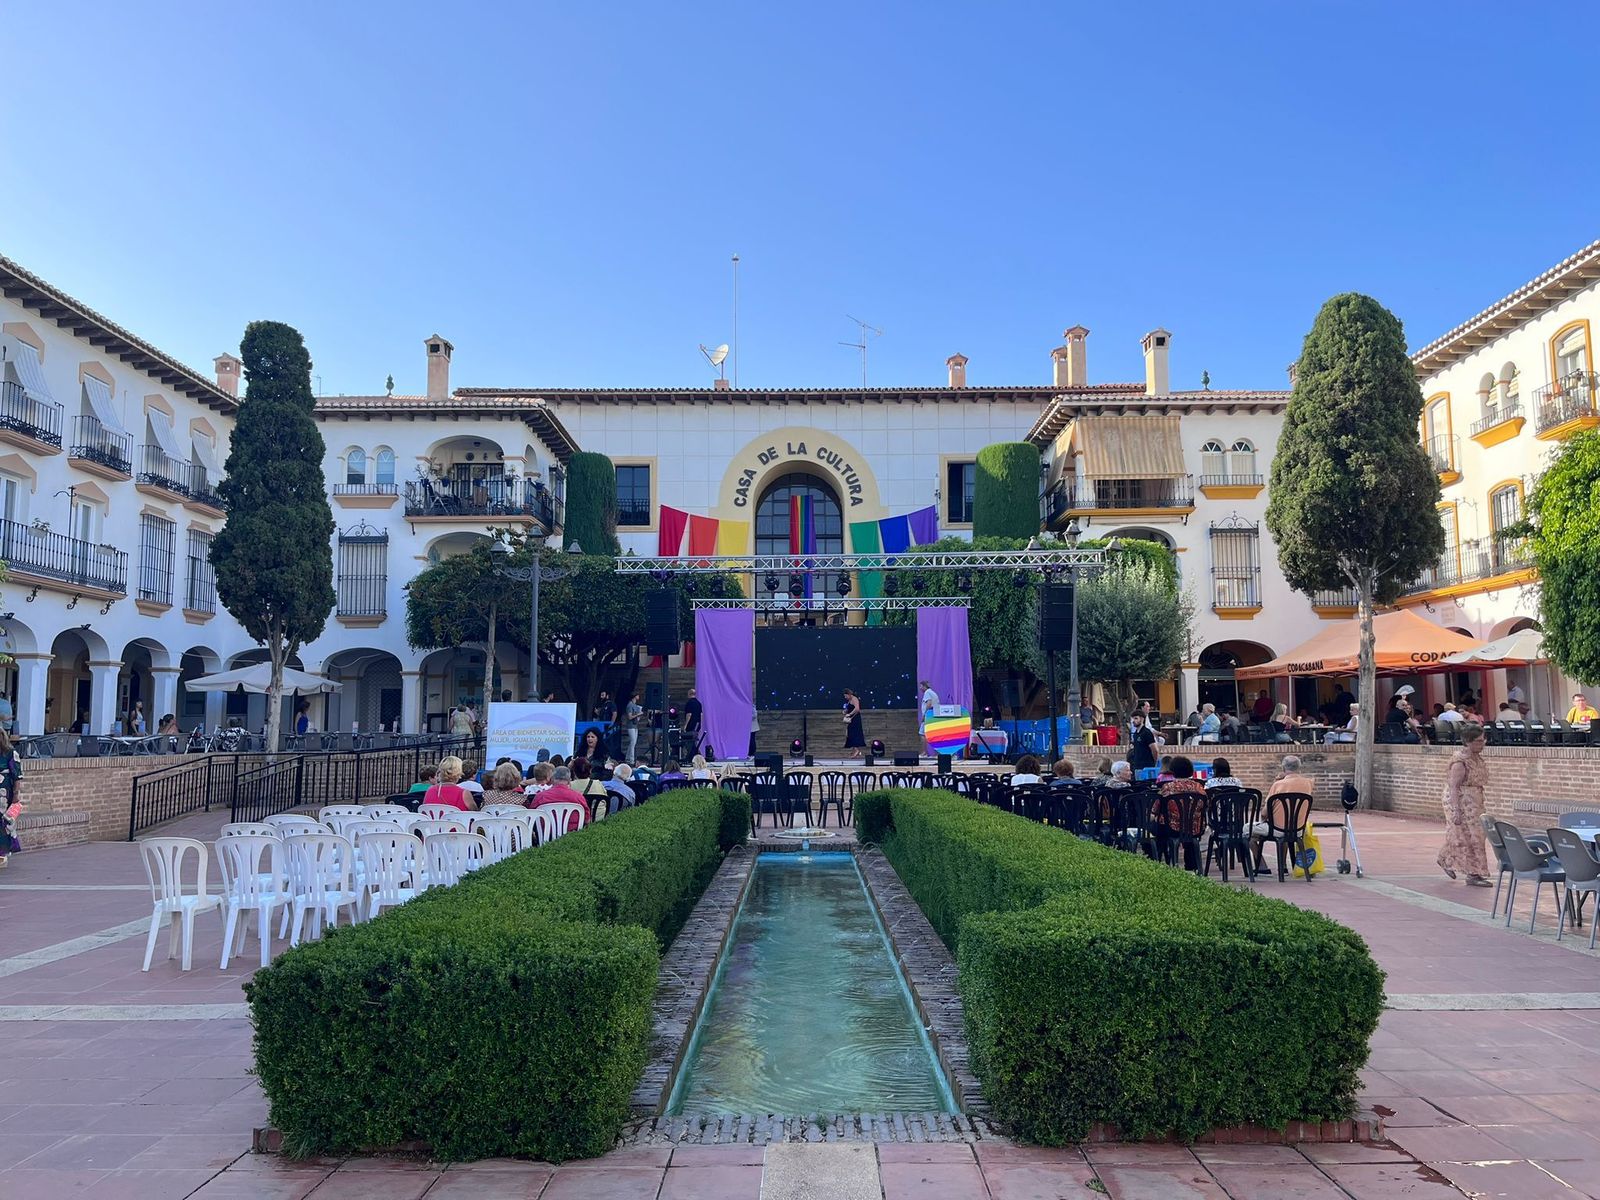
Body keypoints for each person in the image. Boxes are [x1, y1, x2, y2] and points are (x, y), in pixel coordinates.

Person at [1437, 724, 1492, 887]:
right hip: (1461, 800)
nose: (1482, 744)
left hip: (1474, 800)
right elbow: (1454, 786)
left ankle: (1445, 858)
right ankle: (1473, 873)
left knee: (1474, 834)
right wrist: (1456, 811)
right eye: (1478, 741)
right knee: (1469, 836)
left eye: (1483, 740)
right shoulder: (1460, 762)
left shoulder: (1477, 758)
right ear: (1468, 742)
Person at [1157, 756, 1207, 867]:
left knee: (1156, 829)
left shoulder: (1167, 787)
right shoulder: (1199, 787)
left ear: (1173, 770)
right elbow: (1206, 805)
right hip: (1194, 828)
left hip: (1172, 828)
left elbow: (1156, 808)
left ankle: (1160, 860)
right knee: (1190, 833)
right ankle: (1191, 866)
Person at [533, 766, 587, 832]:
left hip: (546, 836)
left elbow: (532, 817)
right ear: (569, 781)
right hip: (572, 835)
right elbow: (587, 819)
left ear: (552, 779)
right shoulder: (579, 797)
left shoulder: (540, 797)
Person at [0, 730, 22, 867]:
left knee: (2, 821)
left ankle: (2, 853)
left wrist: (15, 794)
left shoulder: (10, 753)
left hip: (3, 790)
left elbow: (17, 776)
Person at [842, 688, 865, 758]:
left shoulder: (854, 699)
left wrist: (850, 714)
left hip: (855, 719)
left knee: (854, 734)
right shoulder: (849, 700)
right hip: (852, 720)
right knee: (850, 733)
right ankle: (855, 750)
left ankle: (856, 750)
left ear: (848, 694)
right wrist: (845, 711)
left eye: (845, 696)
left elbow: (857, 708)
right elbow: (850, 708)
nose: (845, 697)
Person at [624, 693, 644, 763]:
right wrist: (638, 714)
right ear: (634, 697)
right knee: (632, 741)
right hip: (631, 726)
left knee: (633, 742)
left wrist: (639, 715)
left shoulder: (635, 706)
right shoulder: (630, 705)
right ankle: (631, 759)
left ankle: (627, 757)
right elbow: (629, 717)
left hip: (635, 725)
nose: (639, 697)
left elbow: (637, 717)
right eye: (637, 695)